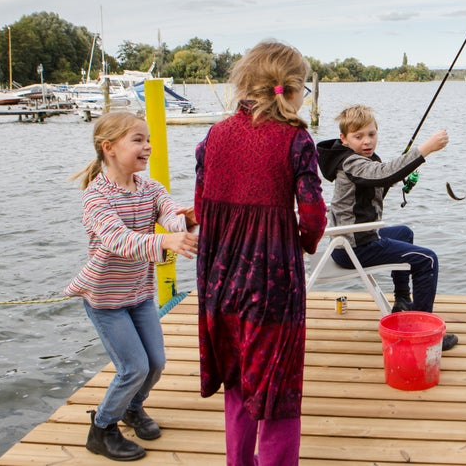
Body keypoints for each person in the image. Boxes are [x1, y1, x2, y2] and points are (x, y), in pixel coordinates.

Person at [194, 40, 326, 466]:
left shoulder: (212, 136)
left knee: (237, 379)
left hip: (218, 279)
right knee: (277, 388)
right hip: (273, 282)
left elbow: (200, 208)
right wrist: (304, 243)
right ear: (292, 89)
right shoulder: (296, 140)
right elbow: (312, 214)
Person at [66, 111, 198, 461]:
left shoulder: (151, 188)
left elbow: (169, 212)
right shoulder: (96, 198)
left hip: (139, 294)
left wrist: (185, 221)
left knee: (155, 363)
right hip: (105, 300)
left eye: (148, 139)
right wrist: (167, 243)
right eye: (138, 140)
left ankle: (132, 407)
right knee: (133, 367)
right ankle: (103, 428)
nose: (148, 146)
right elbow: (119, 241)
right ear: (109, 148)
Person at [316, 104, 458, 351]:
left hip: (351, 240)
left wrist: (401, 174)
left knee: (404, 232)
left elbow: (379, 181)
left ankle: (402, 301)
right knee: (428, 259)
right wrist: (425, 150)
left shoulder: (359, 160)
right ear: (344, 139)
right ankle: (425, 335)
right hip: (355, 247)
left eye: (371, 134)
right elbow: (381, 174)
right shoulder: (351, 163)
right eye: (358, 137)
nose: (367, 141)